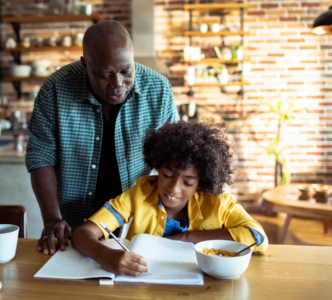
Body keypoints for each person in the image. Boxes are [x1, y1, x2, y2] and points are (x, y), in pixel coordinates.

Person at [25, 21, 179, 255]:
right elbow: (41, 157)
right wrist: (51, 219)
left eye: (126, 71)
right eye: (104, 74)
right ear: (85, 65)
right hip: (75, 228)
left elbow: (176, 158)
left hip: (140, 226)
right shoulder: (55, 90)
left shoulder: (159, 90)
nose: (117, 84)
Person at [71, 120, 268, 277]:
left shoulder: (219, 203)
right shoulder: (139, 193)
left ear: (201, 183)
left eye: (188, 183)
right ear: (157, 166)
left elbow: (257, 238)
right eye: (167, 175)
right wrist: (105, 255)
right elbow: (82, 235)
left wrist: (185, 238)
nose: (174, 188)